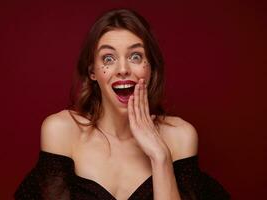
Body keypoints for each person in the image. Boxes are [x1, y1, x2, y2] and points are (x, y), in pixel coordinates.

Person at [14, 8, 230, 200]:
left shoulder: (180, 136)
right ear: (93, 72)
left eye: (135, 56)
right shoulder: (62, 131)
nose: (123, 69)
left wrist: (160, 157)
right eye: (108, 58)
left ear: (150, 68)